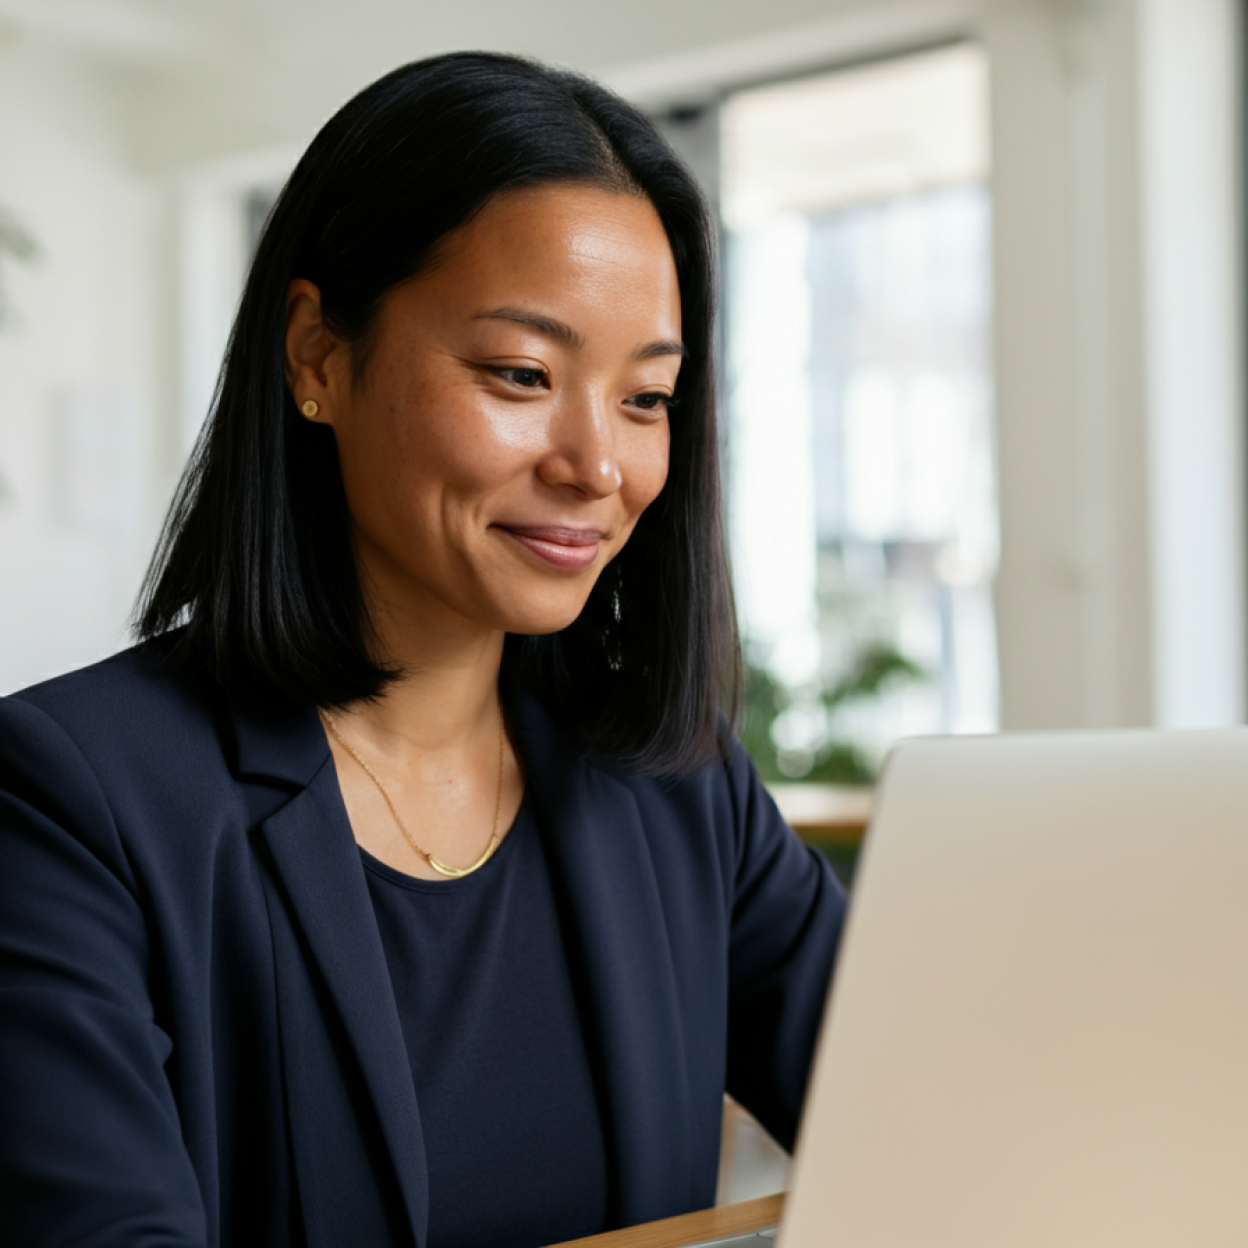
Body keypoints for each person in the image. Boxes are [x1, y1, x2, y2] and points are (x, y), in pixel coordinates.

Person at [0, 52, 847, 1248]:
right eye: (521, 374)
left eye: (645, 399)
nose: (597, 466)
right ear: (317, 358)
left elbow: (941, 1119)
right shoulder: (71, 797)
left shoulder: (678, 783)